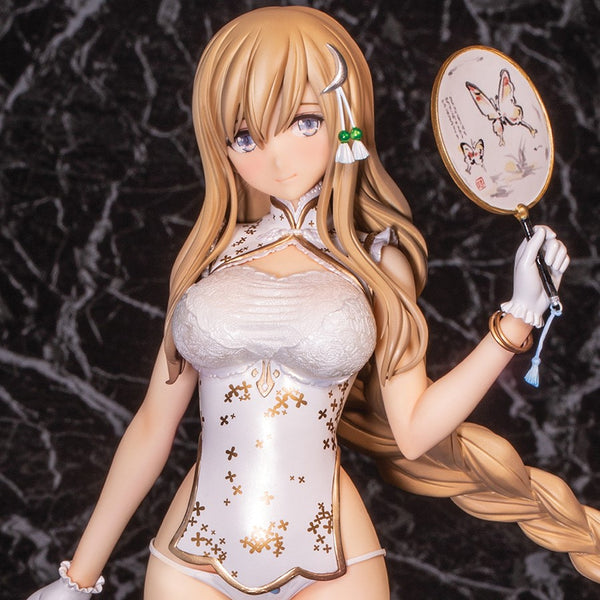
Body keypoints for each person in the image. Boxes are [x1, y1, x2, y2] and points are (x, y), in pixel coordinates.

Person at [27, 6, 591, 600]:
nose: (274, 157)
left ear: (347, 118)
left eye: (303, 121)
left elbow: (413, 430)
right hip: (191, 559)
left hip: (335, 562)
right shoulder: (211, 256)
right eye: (245, 136)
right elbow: (151, 425)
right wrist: (77, 579)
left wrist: (518, 317)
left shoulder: (378, 260)